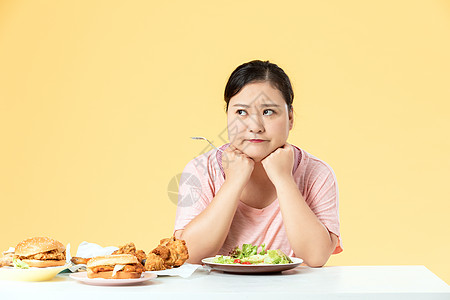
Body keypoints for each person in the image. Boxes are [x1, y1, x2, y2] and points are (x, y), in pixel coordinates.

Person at [174, 60, 342, 267]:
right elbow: (189, 255)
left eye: (268, 112)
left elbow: (315, 257)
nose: (255, 127)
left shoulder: (317, 173)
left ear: (290, 117)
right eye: (241, 112)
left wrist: (284, 180)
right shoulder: (203, 170)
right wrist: (234, 182)